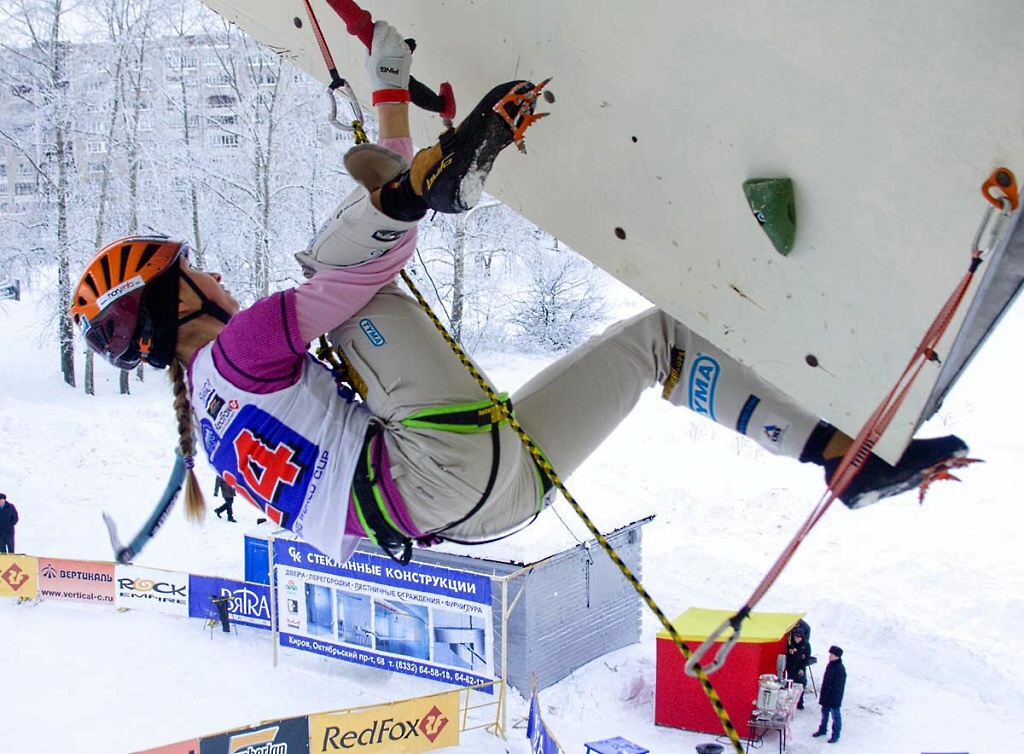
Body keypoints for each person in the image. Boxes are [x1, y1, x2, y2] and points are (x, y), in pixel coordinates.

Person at [69, 21, 969, 568]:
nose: (218, 274)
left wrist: (393, 99)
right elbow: (375, 262)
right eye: (200, 273)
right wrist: (384, 90)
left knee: (661, 341)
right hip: (439, 465)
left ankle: (839, 459)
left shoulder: (218, 423)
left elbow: (385, 237)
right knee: (335, 279)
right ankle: (428, 171)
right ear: (176, 301)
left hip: (485, 509)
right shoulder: (245, 343)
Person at [813, 645, 847, 743]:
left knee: (835, 716)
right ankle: (822, 729)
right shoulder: (831, 664)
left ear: (837, 656)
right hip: (826, 695)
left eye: (832, 654)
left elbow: (838, 687)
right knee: (824, 713)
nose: (830, 656)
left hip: (833, 698)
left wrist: (833, 698)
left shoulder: (840, 669)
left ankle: (835, 735)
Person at [785, 623, 812, 709]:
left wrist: (802, 667)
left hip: (800, 667)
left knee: (801, 685)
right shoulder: (791, 643)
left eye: (798, 638)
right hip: (791, 667)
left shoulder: (806, 645)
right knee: (790, 685)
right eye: (795, 637)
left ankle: (800, 702)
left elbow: (807, 658)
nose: (796, 639)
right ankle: (789, 702)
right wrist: (789, 652)